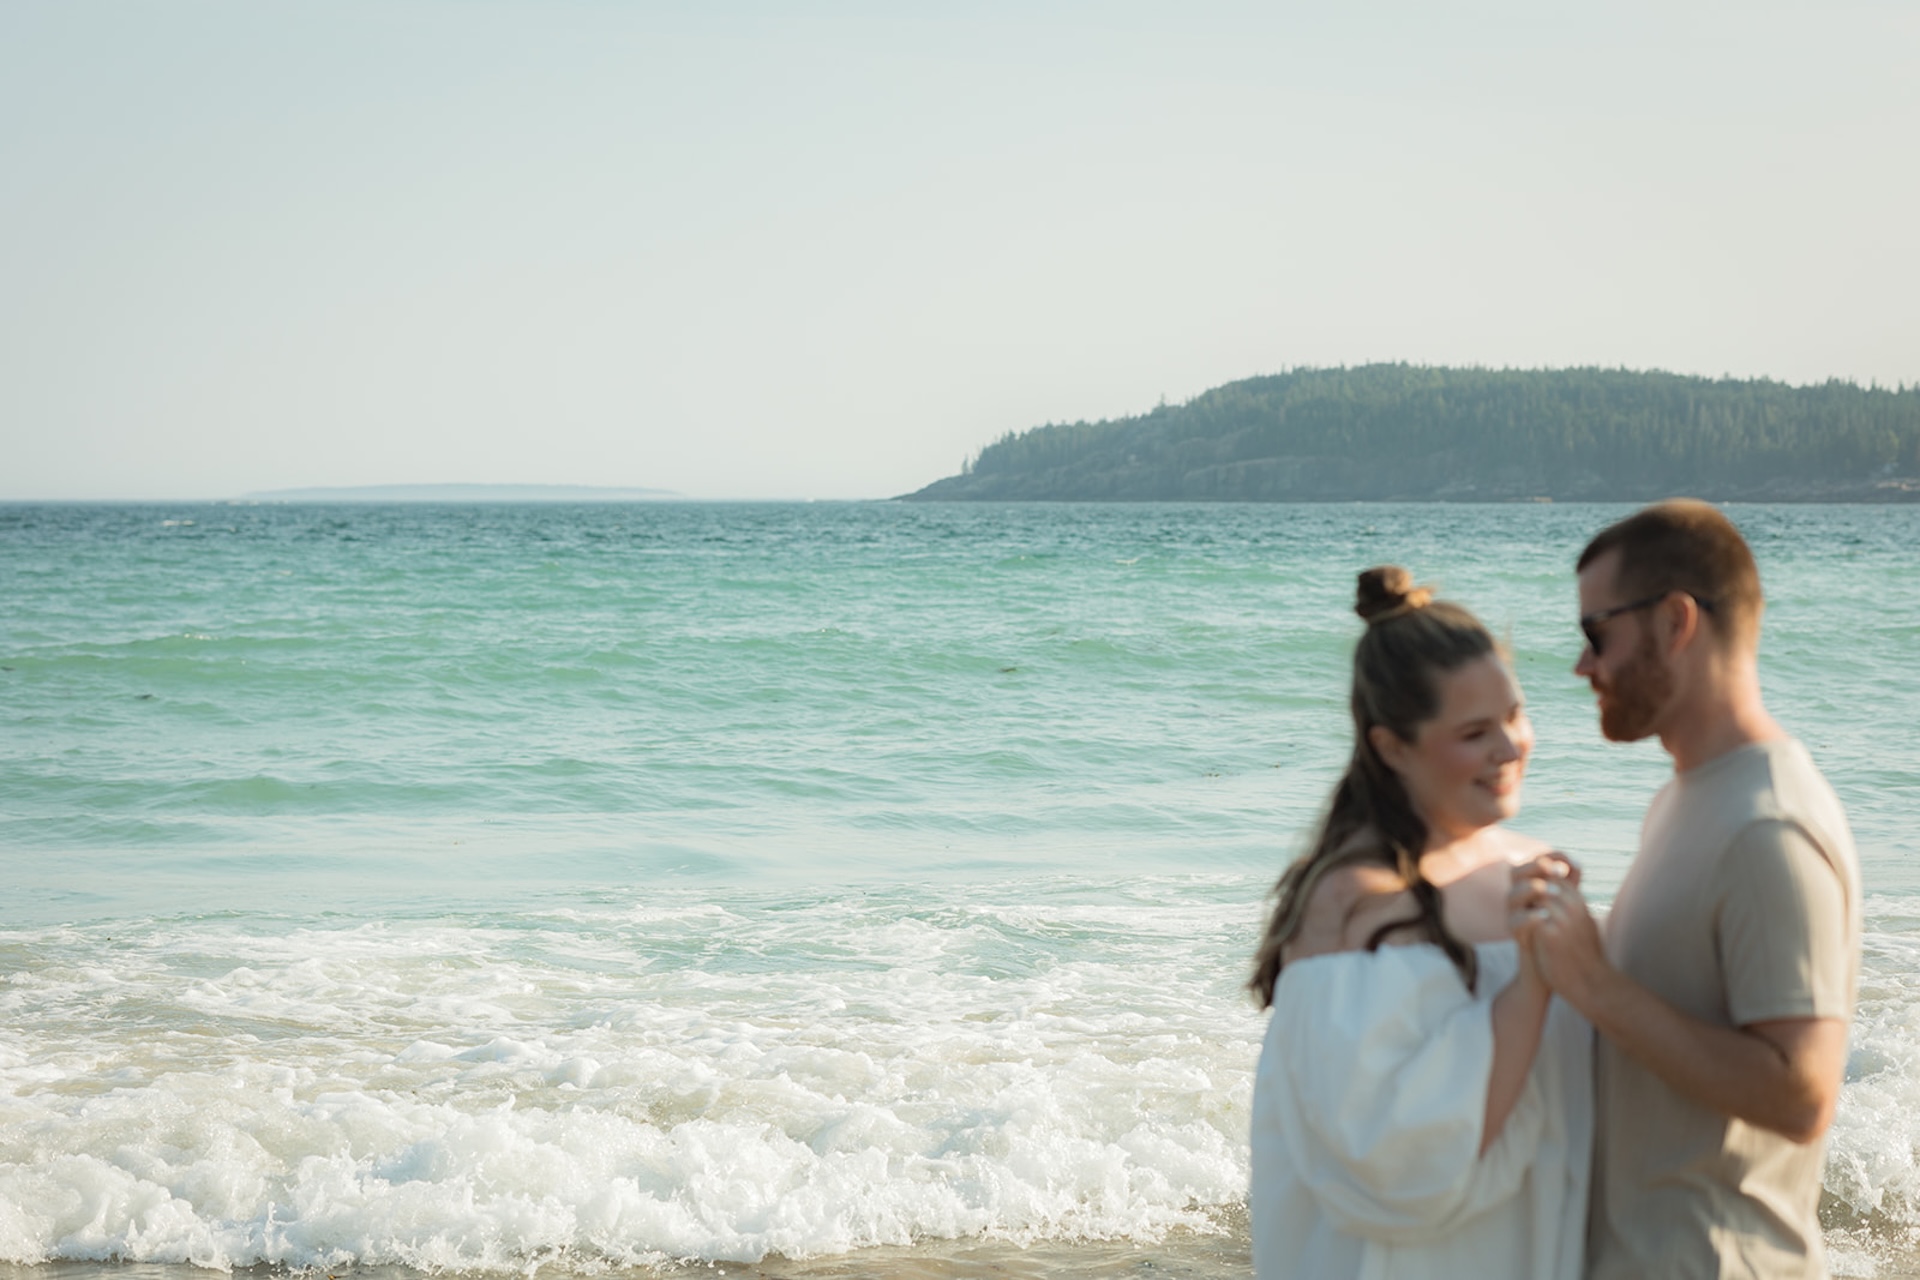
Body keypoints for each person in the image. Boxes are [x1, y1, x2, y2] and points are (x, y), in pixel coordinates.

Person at [1511, 500, 1861, 1279]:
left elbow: (1801, 1092)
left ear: (1676, 621)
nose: (1582, 666)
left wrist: (1596, 985)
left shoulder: (1769, 825)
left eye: (1596, 634)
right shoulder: (1689, 796)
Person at [1249, 566, 1592, 1280]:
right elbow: (1400, 1162)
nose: (1510, 746)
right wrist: (1531, 984)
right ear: (1391, 747)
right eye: (1474, 732)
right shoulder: (1358, 903)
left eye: (1516, 714)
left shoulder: (1532, 865)